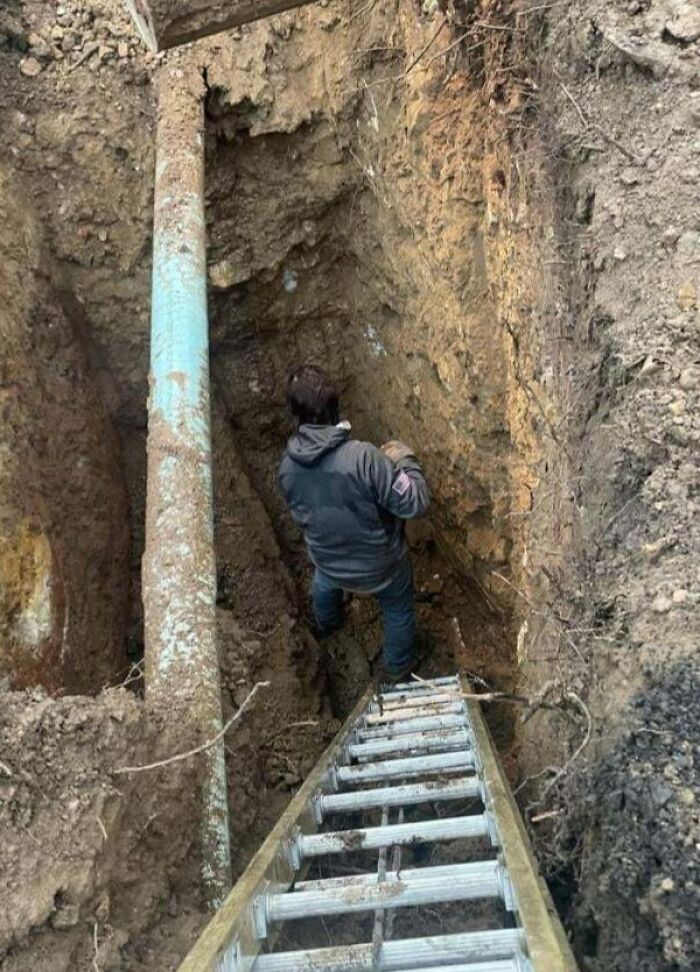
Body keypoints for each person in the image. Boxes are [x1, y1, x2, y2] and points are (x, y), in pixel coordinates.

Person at [278, 364, 430, 682]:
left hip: (329, 562)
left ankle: (328, 624)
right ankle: (398, 667)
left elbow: (301, 516)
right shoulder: (363, 458)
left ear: (296, 417)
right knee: (398, 606)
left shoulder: (287, 469)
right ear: (335, 407)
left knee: (324, 583)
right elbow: (415, 502)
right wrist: (405, 462)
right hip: (381, 567)